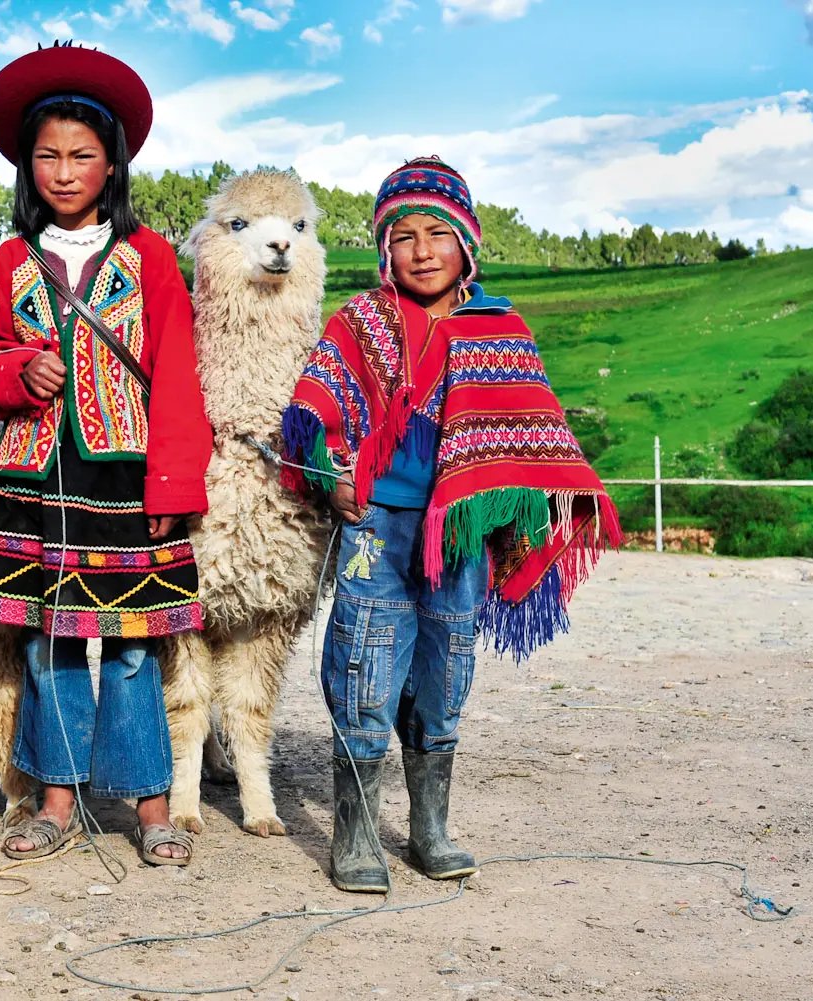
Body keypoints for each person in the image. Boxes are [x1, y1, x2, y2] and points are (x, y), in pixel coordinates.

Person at [282, 157, 621, 893]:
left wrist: (518, 518)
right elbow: (318, 413)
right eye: (404, 235)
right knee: (364, 670)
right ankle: (359, 831)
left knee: (445, 677)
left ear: (467, 242)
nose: (423, 249)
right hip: (379, 526)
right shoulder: (361, 322)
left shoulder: (500, 330)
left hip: (459, 539)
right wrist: (331, 471)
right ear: (383, 249)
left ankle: (429, 825)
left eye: (439, 232)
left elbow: (530, 439)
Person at [0, 43, 212, 866]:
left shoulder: (149, 260)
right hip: (37, 476)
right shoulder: (8, 261)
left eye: (82, 155)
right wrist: (16, 371)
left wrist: (175, 477)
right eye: (48, 156)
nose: (65, 171)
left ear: (112, 163)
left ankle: (151, 807)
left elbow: (177, 368)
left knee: (138, 641)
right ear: (25, 164)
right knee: (51, 640)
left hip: (126, 471)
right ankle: (55, 800)